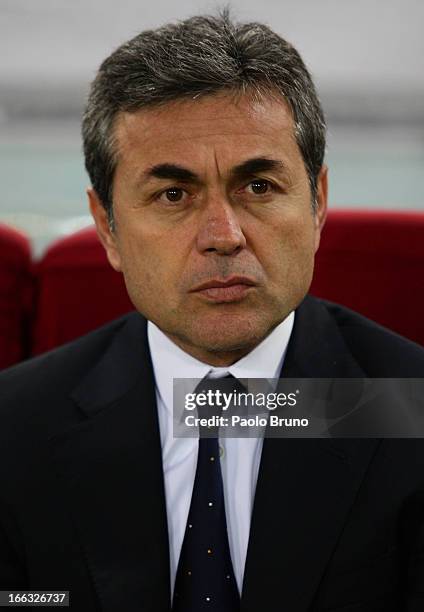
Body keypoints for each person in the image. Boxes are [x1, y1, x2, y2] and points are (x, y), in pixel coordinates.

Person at [1, 10, 424, 612]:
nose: (223, 235)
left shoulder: (409, 410)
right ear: (107, 228)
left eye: (258, 187)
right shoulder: (13, 434)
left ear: (319, 204)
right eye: (173, 195)